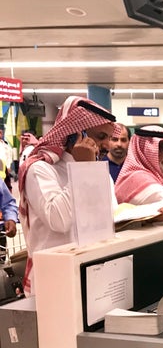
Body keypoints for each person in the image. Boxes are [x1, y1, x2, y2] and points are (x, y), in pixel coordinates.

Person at [17, 96, 117, 295]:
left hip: (93, 275)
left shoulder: (99, 172)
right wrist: (83, 169)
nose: (107, 145)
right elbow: (60, 220)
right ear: (76, 134)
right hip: (53, 281)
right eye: (100, 137)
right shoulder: (41, 169)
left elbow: (113, 217)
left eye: (108, 138)